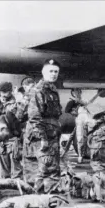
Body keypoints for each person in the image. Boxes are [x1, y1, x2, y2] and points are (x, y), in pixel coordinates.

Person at [24, 59, 63, 193]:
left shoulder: (51, 90)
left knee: (46, 171)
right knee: (48, 171)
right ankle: (45, 203)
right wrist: (43, 139)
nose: (53, 74)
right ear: (43, 72)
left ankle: (41, 201)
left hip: (51, 135)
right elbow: (35, 117)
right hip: (43, 137)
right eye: (50, 71)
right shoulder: (39, 90)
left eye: (56, 71)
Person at [65, 89, 105, 175]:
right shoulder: (90, 107)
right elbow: (74, 133)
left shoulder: (80, 116)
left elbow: (80, 138)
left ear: (74, 108)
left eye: (71, 112)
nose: (72, 114)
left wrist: (80, 155)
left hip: (98, 138)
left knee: (97, 165)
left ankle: (101, 185)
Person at [0, 82, 23, 179]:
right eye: (1, 92)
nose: (3, 94)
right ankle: (5, 186)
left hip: (13, 138)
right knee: (3, 166)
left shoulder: (16, 102)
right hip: (1, 138)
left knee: (16, 164)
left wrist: (19, 103)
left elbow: (20, 117)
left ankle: (19, 185)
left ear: (10, 92)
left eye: (5, 92)